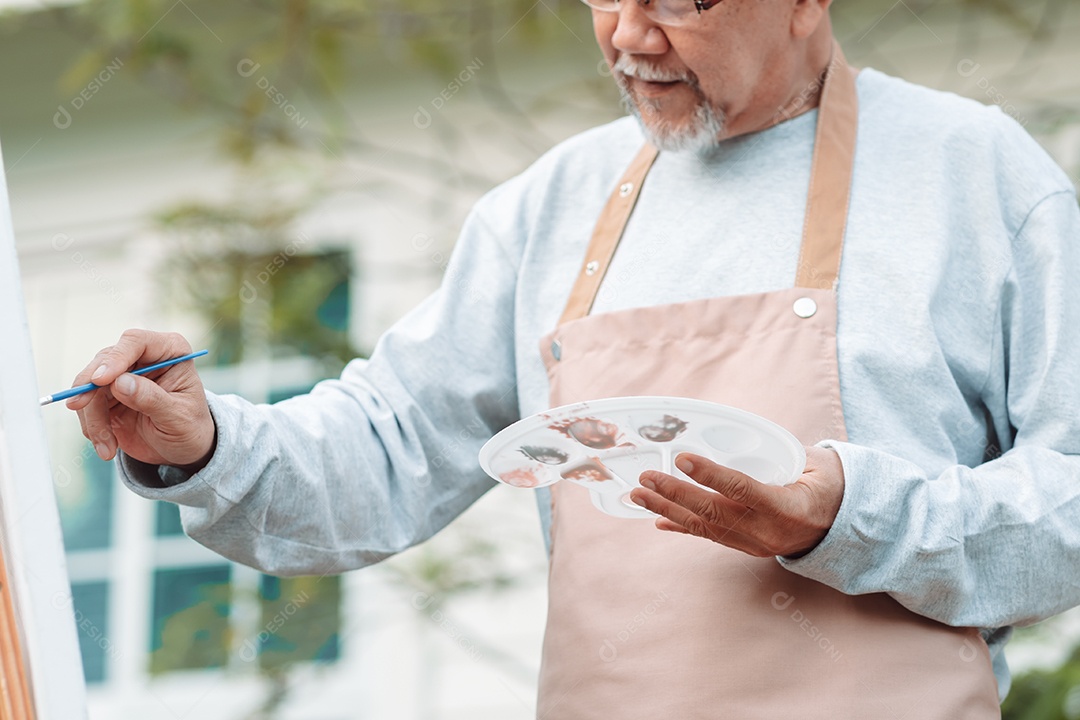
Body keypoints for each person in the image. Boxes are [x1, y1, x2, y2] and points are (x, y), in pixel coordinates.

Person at [66, 0, 1080, 716]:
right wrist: (204, 444)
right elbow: (386, 453)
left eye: (684, 1)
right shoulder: (545, 211)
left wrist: (848, 518)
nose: (631, 37)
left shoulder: (976, 177)